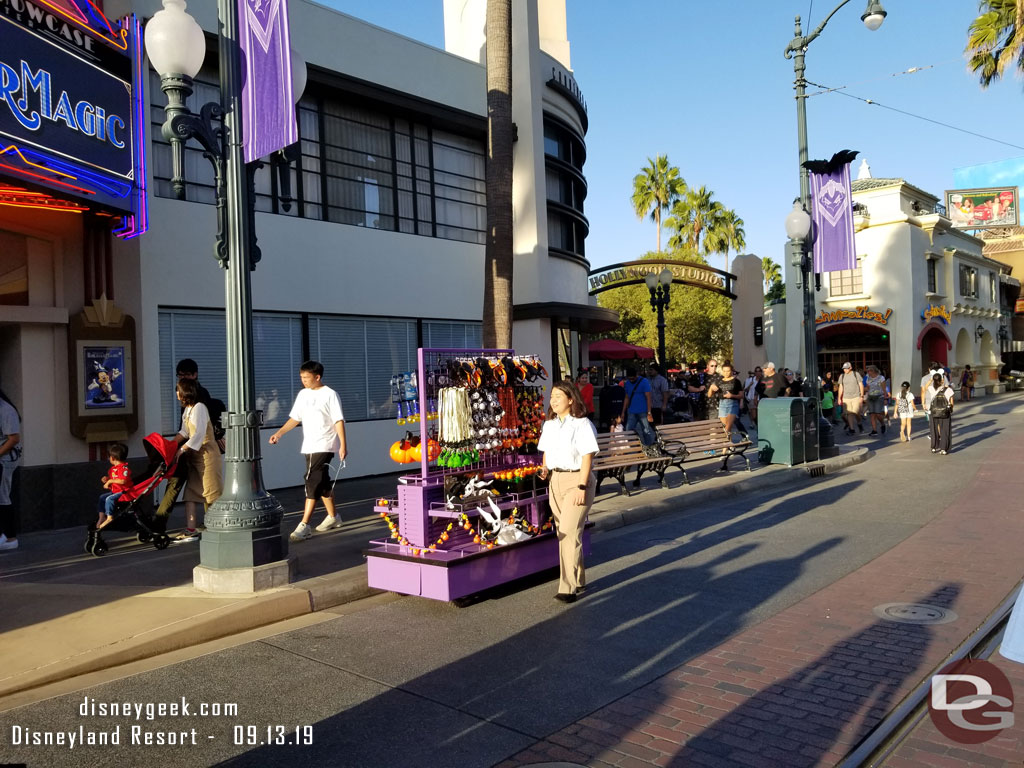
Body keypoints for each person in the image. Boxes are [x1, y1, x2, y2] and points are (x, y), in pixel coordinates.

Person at [269, 360, 348, 541]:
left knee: (312, 481)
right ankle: (333, 517)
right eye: (301, 377)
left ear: (317, 377)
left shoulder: (330, 394)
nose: (303, 380)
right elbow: (295, 418)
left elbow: (338, 420)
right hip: (310, 445)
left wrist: (343, 444)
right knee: (322, 482)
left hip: (324, 444)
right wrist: (279, 433)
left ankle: (304, 525)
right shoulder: (303, 394)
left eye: (306, 377)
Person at [537, 380, 598, 604]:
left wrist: (582, 486)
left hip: (576, 480)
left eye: (558, 396)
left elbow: (587, 456)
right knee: (570, 532)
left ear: (571, 400)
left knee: (567, 533)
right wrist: (545, 468)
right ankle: (579, 578)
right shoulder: (550, 425)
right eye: (551, 396)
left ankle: (567, 587)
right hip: (556, 480)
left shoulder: (582, 424)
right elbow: (545, 451)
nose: (553, 400)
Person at [171, 378, 224, 543]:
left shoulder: (199, 408)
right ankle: (191, 529)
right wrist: (170, 445)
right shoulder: (188, 409)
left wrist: (181, 449)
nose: (177, 394)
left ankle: (218, 526)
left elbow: (199, 435)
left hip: (207, 456)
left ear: (185, 392)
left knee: (212, 493)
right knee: (191, 494)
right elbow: (184, 432)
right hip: (195, 457)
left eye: (178, 391)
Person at [0, 388, 22, 552]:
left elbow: (14, 439)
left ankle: (9, 536)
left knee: (2, 496)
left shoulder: (6, 410)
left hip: (4, 460)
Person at [96, 443, 132, 531]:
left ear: (112, 458)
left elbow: (123, 480)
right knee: (102, 497)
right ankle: (102, 517)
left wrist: (110, 481)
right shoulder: (113, 469)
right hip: (115, 491)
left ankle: (109, 517)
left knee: (109, 499)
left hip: (124, 493)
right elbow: (114, 479)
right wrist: (107, 479)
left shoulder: (124, 469)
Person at [708, 362, 744, 443]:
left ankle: (724, 451)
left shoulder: (736, 381)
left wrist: (732, 395)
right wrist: (711, 388)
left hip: (732, 405)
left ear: (731, 371)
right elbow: (709, 395)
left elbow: (741, 395)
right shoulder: (719, 381)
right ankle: (730, 447)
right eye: (724, 371)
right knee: (726, 429)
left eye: (728, 371)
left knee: (727, 428)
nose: (726, 373)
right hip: (722, 405)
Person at [620, 366, 657, 446]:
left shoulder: (644, 381)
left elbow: (648, 397)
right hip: (631, 411)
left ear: (636, 375)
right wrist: (623, 412)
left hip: (643, 411)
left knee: (646, 430)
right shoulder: (627, 383)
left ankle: (649, 446)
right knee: (628, 430)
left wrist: (649, 412)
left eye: (633, 378)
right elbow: (626, 397)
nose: (631, 380)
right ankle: (631, 447)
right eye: (629, 379)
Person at [924, 372, 955, 455]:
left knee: (933, 429)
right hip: (945, 412)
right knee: (944, 430)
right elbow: (952, 402)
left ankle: (934, 447)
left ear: (933, 380)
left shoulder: (931, 388)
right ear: (942, 380)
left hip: (933, 412)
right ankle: (943, 449)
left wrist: (931, 380)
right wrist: (951, 409)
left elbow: (925, 387)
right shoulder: (948, 390)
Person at [837, 362, 865, 435]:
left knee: (856, 412)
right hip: (846, 397)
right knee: (849, 413)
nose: (845, 370)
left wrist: (862, 396)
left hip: (856, 396)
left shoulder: (856, 374)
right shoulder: (842, 376)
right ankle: (852, 429)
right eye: (844, 368)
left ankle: (859, 423)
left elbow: (861, 385)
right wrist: (839, 398)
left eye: (846, 368)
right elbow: (840, 387)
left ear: (850, 368)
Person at [864, 365, 888, 436]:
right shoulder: (868, 378)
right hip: (871, 397)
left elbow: (884, 389)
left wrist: (885, 398)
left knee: (878, 414)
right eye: (867, 371)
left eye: (869, 371)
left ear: (873, 371)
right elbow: (868, 388)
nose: (868, 372)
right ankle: (874, 430)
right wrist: (861, 389)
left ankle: (882, 424)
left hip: (879, 397)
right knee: (872, 414)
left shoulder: (881, 378)